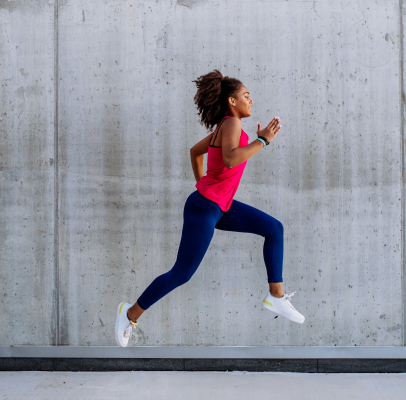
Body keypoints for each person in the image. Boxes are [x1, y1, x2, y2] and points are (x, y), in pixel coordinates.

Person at [115, 70, 305, 347]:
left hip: (218, 205)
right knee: (182, 273)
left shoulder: (225, 126)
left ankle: (276, 297)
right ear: (231, 100)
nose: (251, 101)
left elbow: (195, 152)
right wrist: (262, 141)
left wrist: (205, 185)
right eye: (246, 96)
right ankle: (129, 313)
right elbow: (229, 160)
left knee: (274, 228)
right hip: (205, 208)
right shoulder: (231, 124)